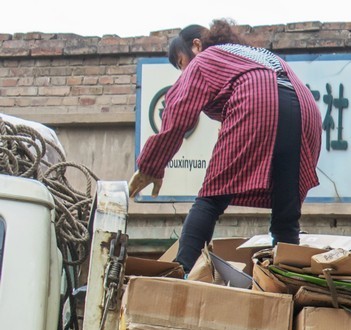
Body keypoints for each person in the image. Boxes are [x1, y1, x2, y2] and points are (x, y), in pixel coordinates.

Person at [129, 20, 321, 273]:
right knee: (286, 212)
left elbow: (178, 111)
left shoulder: (205, 57)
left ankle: (180, 273)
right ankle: (286, 280)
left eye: (181, 63)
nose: (183, 71)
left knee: (211, 198)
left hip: (257, 100)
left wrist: (151, 166)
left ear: (196, 45)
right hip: (306, 109)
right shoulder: (252, 54)